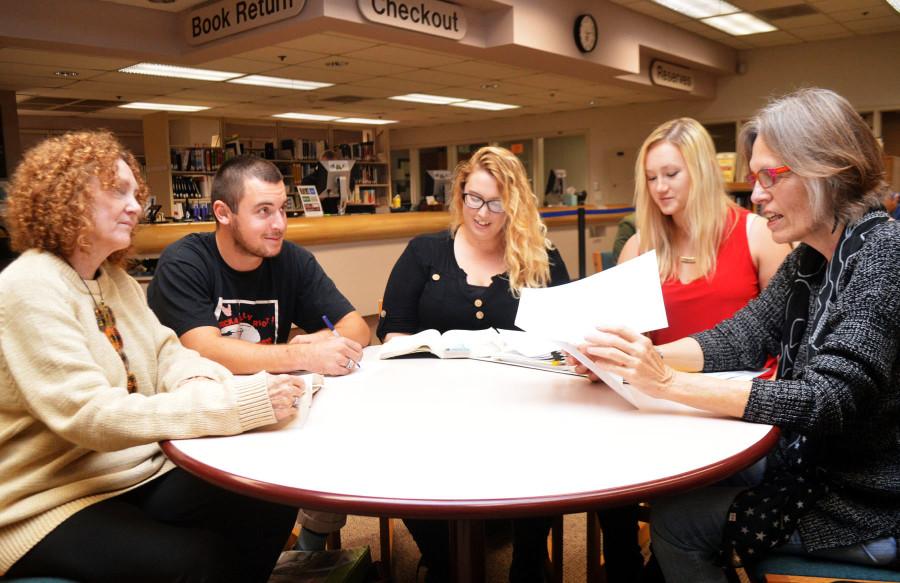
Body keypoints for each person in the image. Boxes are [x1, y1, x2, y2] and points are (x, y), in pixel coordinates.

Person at [579, 88, 900, 581]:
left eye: (771, 176)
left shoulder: (884, 252)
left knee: (677, 522)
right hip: (816, 464)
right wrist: (634, 357)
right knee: (686, 481)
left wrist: (665, 382)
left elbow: (829, 399)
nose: (756, 195)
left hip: (866, 502)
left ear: (827, 170)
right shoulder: (812, 258)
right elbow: (742, 336)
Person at [0, 131, 306, 582]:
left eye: (134, 193)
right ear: (65, 198)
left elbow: (169, 353)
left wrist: (199, 384)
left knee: (267, 493)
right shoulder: (29, 287)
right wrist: (230, 404)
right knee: (194, 559)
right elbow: (90, 415)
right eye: (116, 192)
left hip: (130, 469)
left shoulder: (113, 280)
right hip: (47, 499)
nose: (135, 206)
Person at [598, 118, 791, 582]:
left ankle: (661, 565)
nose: (660, 187)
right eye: (651, 177)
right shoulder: (640, 247)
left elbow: (786, 339)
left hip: (736, 414)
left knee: (678, 503)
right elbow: (628, 341)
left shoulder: (754, 234)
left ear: (701, 171)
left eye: (671, 173)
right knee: (605, 470)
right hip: (661, 405)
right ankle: (633, 564)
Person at [147, 154, 369, 552]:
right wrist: (299, 356)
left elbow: (355, 327)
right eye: (263, 211)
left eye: (283, 209)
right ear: (223, 212)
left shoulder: (293, 260)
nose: (279, 224)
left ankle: (311, 544)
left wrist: (319, 340)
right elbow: (203, 348)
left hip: (273, 413)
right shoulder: (185, 262)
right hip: (201, 425)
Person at [377, 146, 570, 583]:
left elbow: (567, 335)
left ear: (514, 204)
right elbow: (394, 332)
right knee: (399, 461)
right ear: (460, 195)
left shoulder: (541, 258)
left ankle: (528, 559)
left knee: (544, 455)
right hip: (434, 407)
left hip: (523, 408)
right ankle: (443, 558)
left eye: (495, 202)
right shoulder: (424, 253)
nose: (482, 213)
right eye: (473, 198)